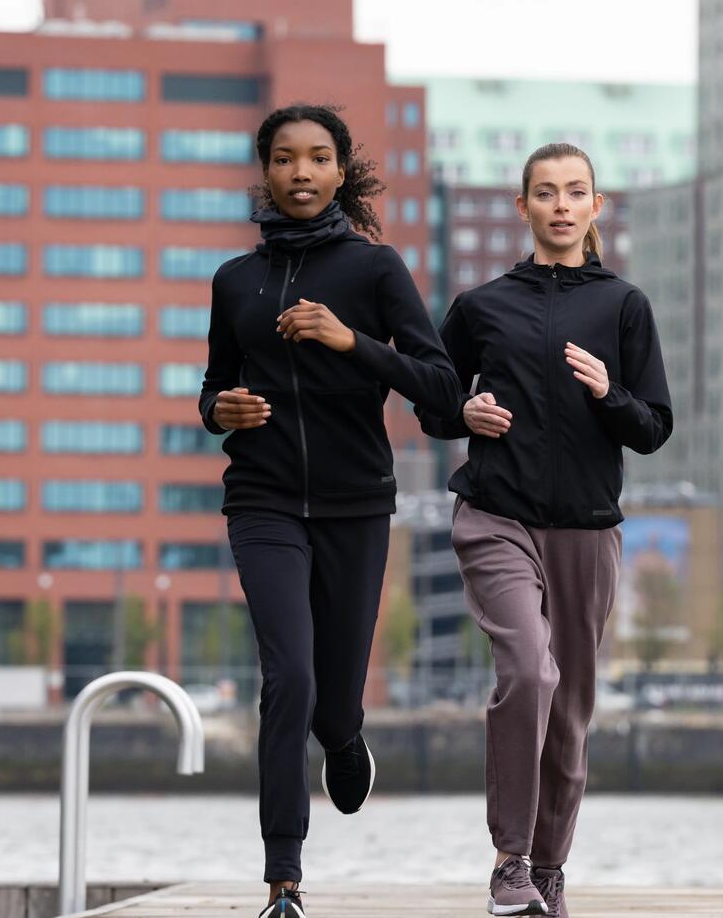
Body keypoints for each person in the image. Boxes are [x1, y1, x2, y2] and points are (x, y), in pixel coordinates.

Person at [198, 104, 462, 918]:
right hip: (263, 499)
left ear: (341, 171)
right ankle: (284, 877)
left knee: (335, 696)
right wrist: (222, 412)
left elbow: (444, 390)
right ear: (266, 171)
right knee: (290, 675)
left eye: (317, 158)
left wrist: (352, 343)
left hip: (354, 505)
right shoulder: (234, 282)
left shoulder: (376, 273)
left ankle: (345, 739)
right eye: (284, 159)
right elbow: (211, 387)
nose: (301, 172)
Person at [417, 143, 673, 917]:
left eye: (576, 192)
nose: (561, 205)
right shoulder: (481, 306)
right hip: (498, 516)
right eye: (545, 192)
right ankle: (511, 860)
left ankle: (550, 870)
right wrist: (461, 412)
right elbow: (431, 396)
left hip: (588, 532)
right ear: (521, 206)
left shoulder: (624, 306)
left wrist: (608, 391)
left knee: (571, 711)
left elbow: (654, 426)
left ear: (597, 207)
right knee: (530, 671)